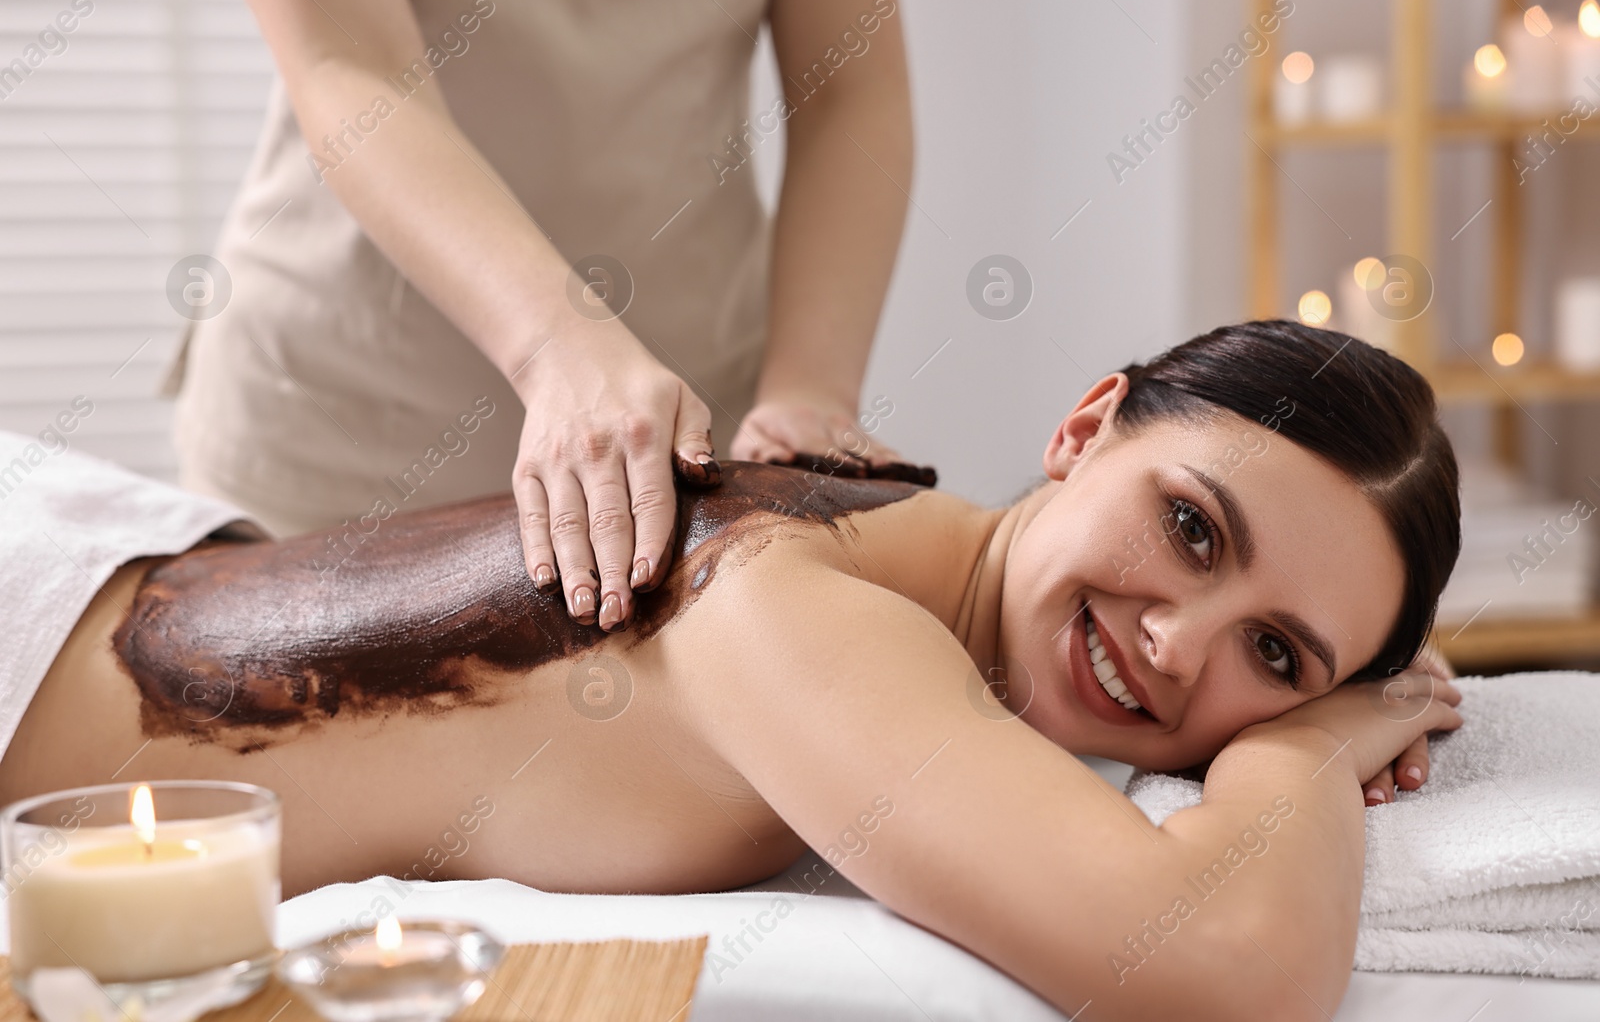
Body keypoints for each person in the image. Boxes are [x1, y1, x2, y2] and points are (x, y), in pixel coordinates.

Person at [4, 322, 1462, 1020]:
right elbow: (1222, 970)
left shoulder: (871, 524)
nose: (1174, 643)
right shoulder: (797, 601)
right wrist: (1317, 730)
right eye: (1192, 529)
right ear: (1085, 427)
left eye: (1275, 649)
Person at [169, 0, 914, 635]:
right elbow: (347, 63)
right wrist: (559, 345)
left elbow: (849, 90)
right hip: (347, 438)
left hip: (682, 452)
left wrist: (810, 385)